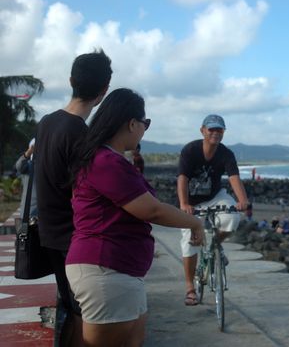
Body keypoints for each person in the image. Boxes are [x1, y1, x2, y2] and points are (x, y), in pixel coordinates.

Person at [65, 88, 204, 346]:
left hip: (119, 271)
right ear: (132, 123)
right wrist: (194, 222)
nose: (144, 130)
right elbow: (152, 210)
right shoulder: (105, 161)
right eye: (145, 124)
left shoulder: (106, 159)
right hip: (106, 270)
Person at [34, 49, 112, 346]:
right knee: (83, 315)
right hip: (75, 239)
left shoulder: (46, 123)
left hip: (50, 232)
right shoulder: (81, 133)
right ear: (103, 92)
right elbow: (86, 193)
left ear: (71, 81)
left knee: (71, 309)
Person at [177, 114, 249, 306]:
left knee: (232, 217)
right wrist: (184, 204)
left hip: (216, 196)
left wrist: (243, 201)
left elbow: (234, 177)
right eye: (212, 129)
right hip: (192, 202)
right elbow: (182, 178)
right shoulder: (190, 150)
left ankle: (216, 244)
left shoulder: (226, 153)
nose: (216, 133)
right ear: (203, 130)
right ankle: (190, 288)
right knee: (189, 242)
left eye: (220, 130)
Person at [15, 138, 37, 218]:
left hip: (46, 211)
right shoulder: (28, 165)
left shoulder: (49, 165)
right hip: (30, 211)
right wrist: (27, 153)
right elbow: (19, 166)